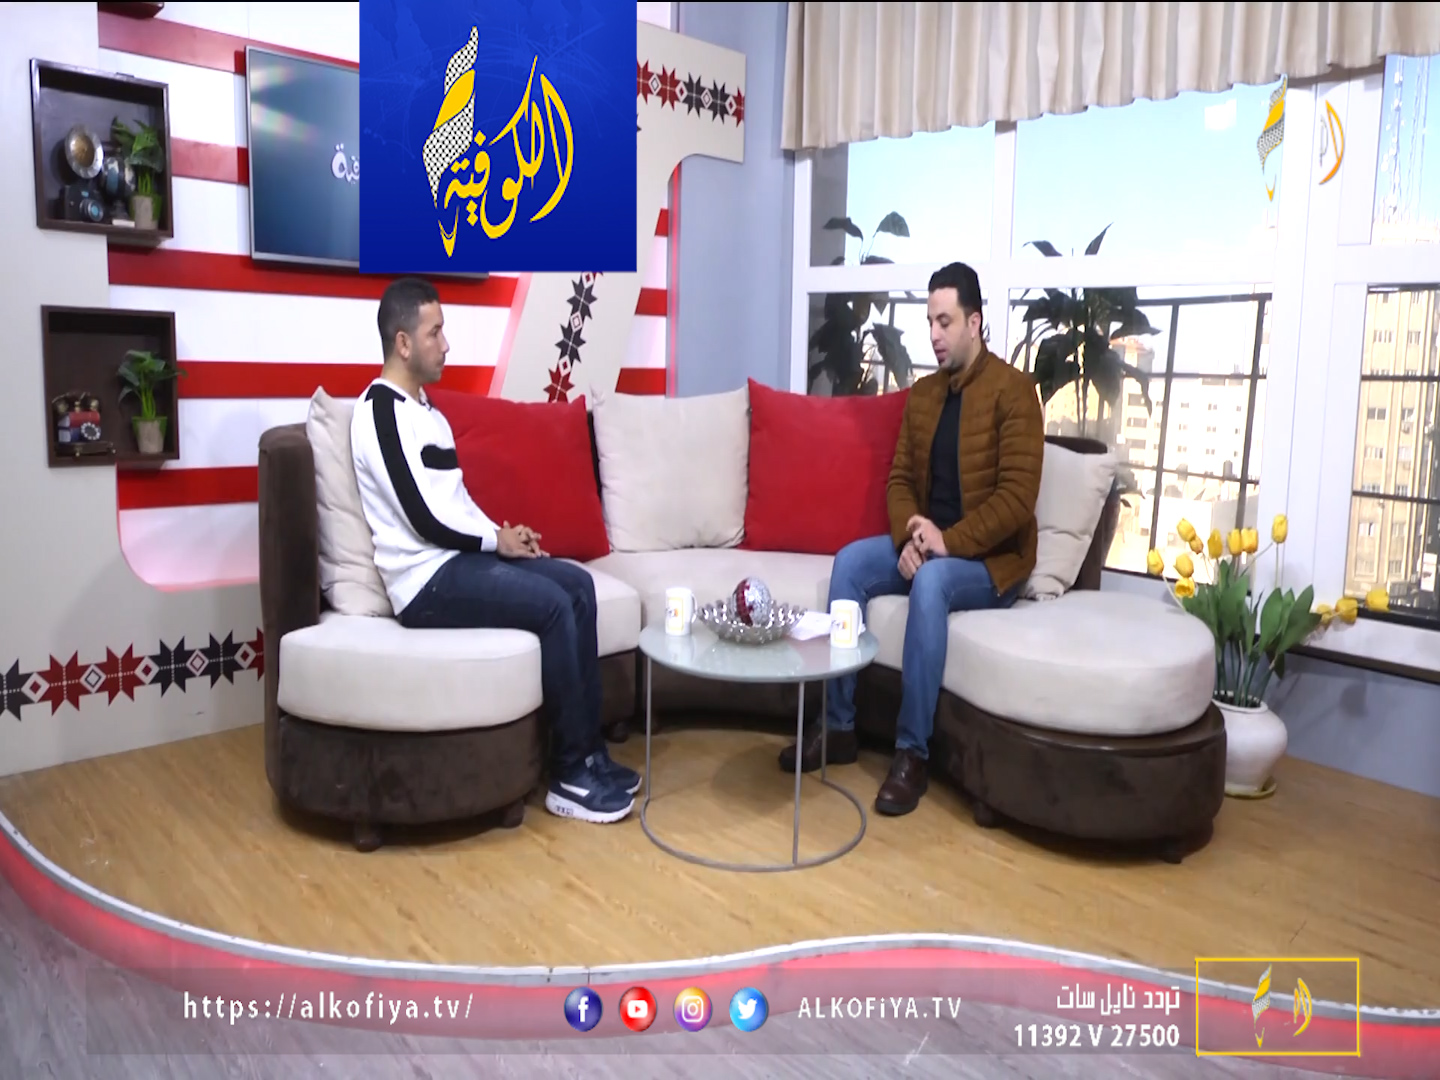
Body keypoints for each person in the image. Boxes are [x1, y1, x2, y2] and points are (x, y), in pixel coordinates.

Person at [350, 276, 640, 824]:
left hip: (458, 561)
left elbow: (454, 504)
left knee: (577, 585)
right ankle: (570, 777)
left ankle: (590, 755)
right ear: (403, 343)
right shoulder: (379, 413)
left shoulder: (429, 413)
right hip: (424, 584)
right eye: (435, 332)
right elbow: (420, 516)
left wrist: (502, 534)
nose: (446, 344)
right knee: (552, 607)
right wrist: (493, 542)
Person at [781, 262, 1045, 816]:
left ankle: (912, 754)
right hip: (930, 545)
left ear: (975, 323)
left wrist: (946, 543)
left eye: (945, 322)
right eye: (930, 322)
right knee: (850, 565)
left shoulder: (1016, 392)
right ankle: (839, 726)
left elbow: (1016, 501)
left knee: (931, 584)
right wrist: (910, 536)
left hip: (991, 562)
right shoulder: (923, 396)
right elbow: (900, 479)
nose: (934, 334)